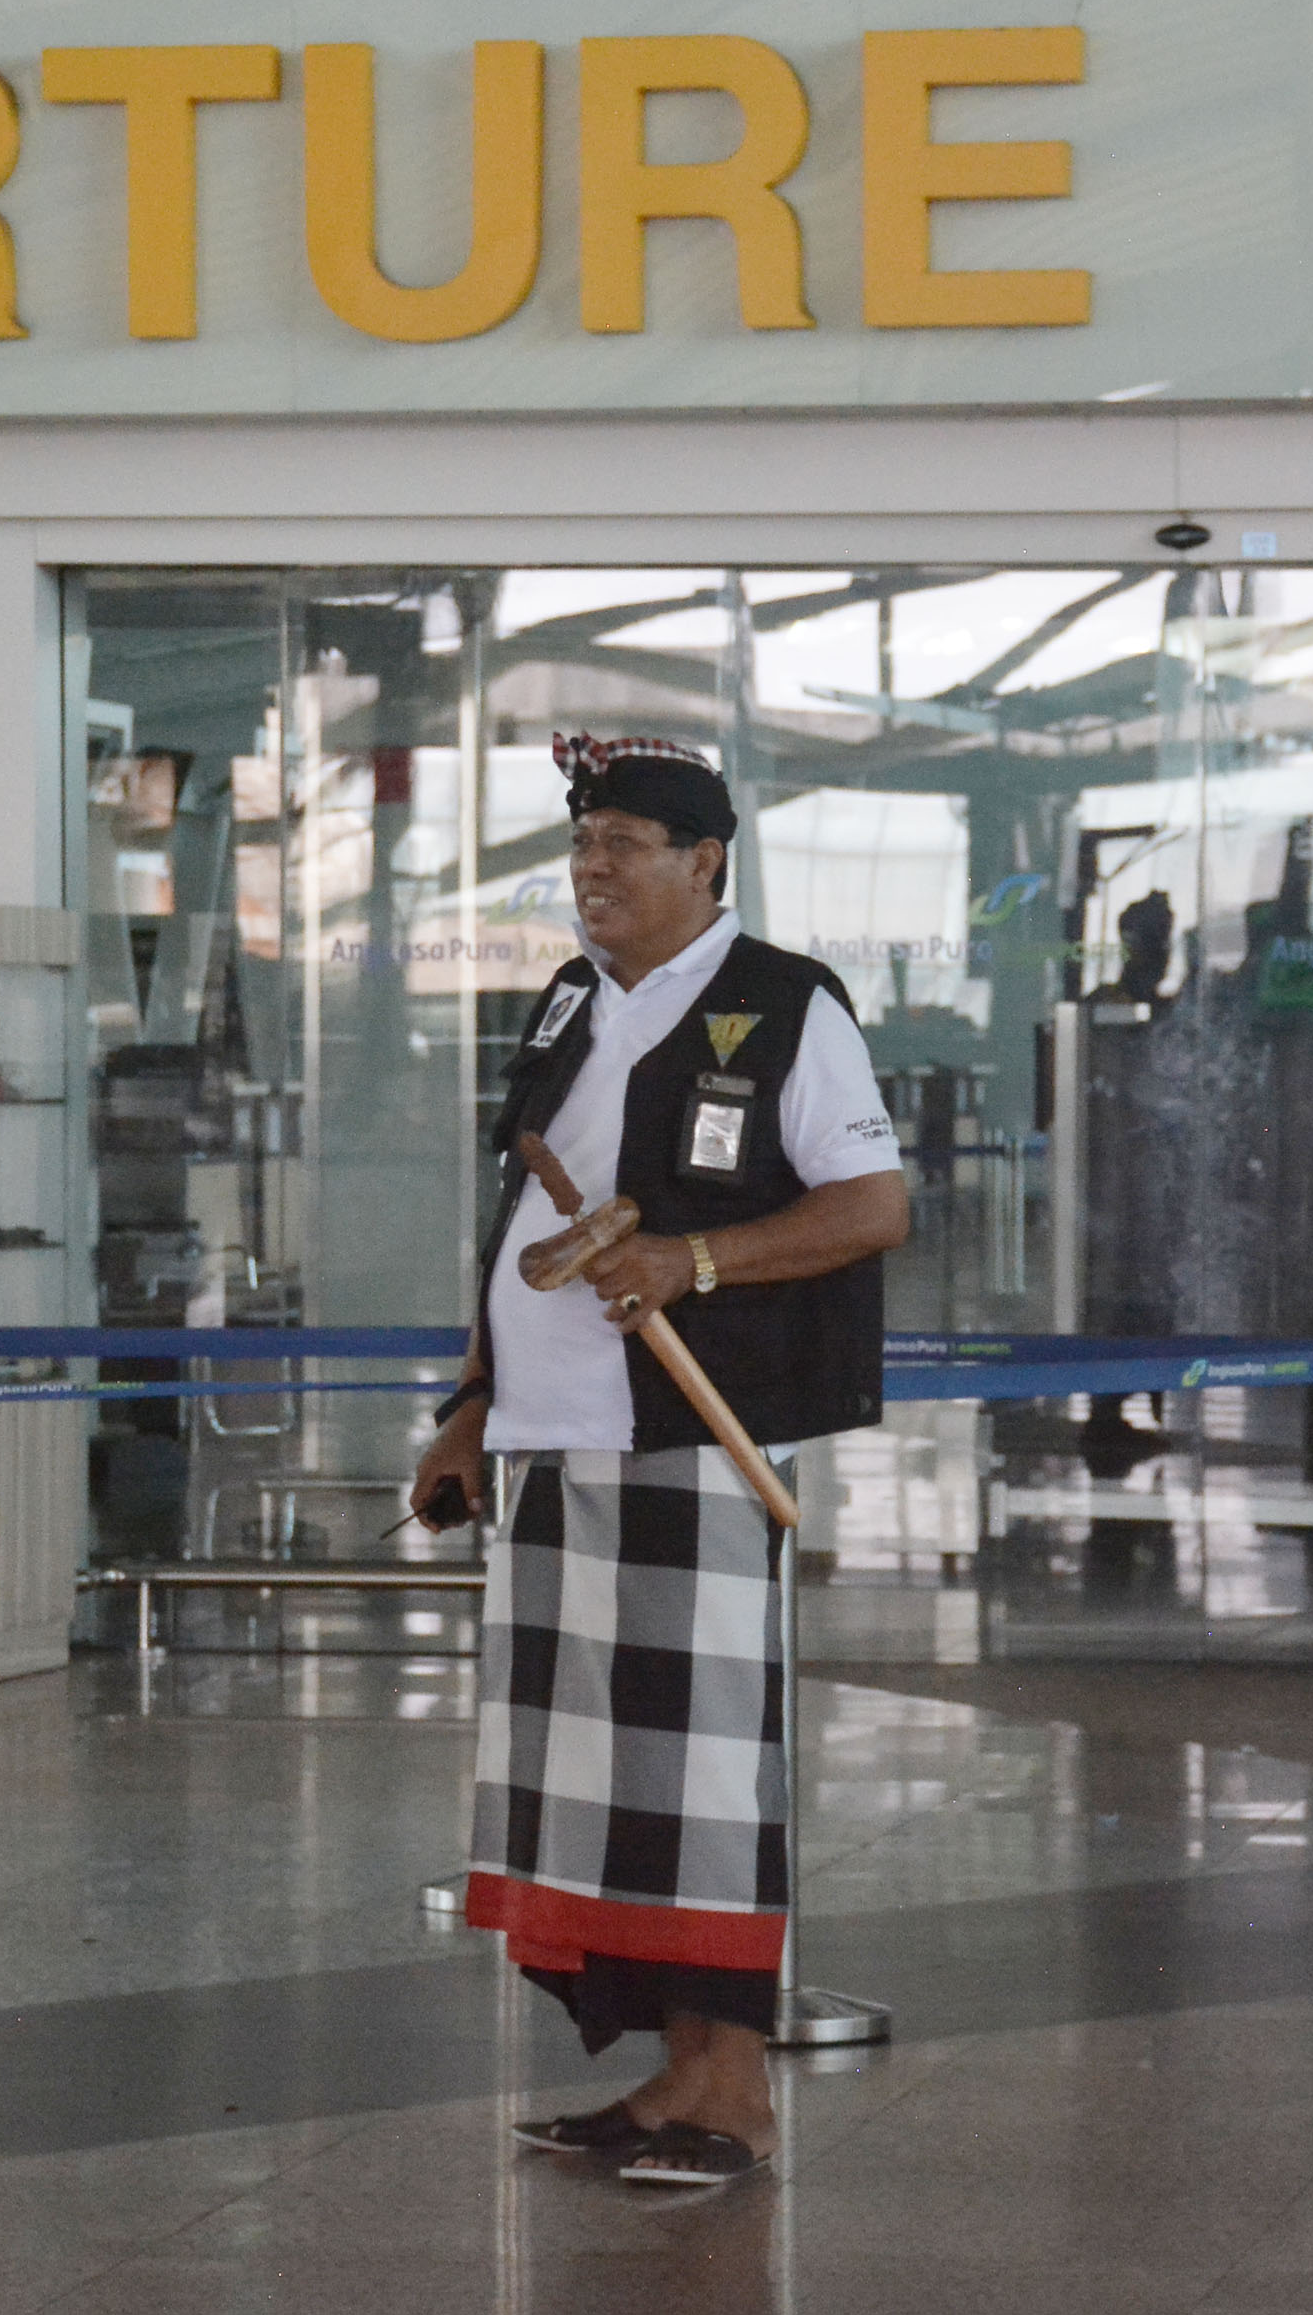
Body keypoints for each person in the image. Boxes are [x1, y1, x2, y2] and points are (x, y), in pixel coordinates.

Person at [408, 733, 908, 2190]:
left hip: (694, 1444)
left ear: (707, 863)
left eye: (626, 844)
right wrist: (471, 1402)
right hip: (554, 1445)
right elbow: (519, 1217)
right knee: (594, 1785)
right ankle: (669, 2076)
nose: (593, 870)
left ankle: (735, 2093)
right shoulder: (571, 1001)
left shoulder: (784, 1003)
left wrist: (696, 1259)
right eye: (582, 846)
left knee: (694, 1788)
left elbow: (872, 1205)